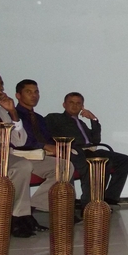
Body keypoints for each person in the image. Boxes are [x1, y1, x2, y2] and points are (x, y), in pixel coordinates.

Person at [0, 69, 52, 237]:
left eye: (1, 83)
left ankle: (28, 210)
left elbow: (19, 141)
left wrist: (13, 112)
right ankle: (17, 218)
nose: (0, 87)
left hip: (10, 154)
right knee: (22, 166)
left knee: (62, 166)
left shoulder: (1, 111)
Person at [15, 79, 84, 222]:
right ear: (18, 95)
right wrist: (44, 146)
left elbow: (48, 138)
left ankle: (35, 206)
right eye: (29, 92)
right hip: (23, 155)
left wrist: (59, 147)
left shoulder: (39, 118)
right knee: (65, 164)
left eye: (36, 92)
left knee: (66, 163)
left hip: (41, 155)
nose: (34, 95)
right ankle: (33, 211)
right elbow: (19, 141)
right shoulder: (13, 115)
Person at [45, 92, 128, 208]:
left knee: (124, 160)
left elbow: (95, 140)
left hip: (90, 150)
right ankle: (88, 204)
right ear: (64, 104)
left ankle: (110, 198)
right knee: (100, 163)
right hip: (75, 152)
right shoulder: (54, 118)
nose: (75, 105)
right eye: (71, 102)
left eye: (78, 103)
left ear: (82, 106)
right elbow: (46, 134)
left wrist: (93, 119)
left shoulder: (81, 123)